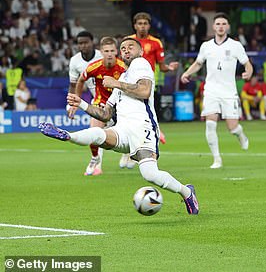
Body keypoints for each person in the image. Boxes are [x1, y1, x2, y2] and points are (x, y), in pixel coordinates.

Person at [40, 37, 199, 214]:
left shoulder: (141, 64)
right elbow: (106, 114)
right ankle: (68, 136)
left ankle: (187, 192)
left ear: (140, 51)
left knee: (150, 174)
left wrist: (116, 83)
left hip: (143, 128)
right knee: (98, 133)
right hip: (122, 130)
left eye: (131, 47)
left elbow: (145, 91)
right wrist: (82, 104)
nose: (126, 50)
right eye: (123, 48)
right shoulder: (122, 78)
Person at [180, 13, 251, 169]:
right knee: (210, 124)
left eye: (224, 24)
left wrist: (248, 72)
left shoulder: (235, 45)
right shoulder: (206, 46)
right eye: (218, 24)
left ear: (228, 26)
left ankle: (241, 135)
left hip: (229, 92)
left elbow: (247, 63)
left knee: (232, 128)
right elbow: (199, 63)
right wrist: (186, 73)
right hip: (211, 90)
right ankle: (217, 159)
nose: (220, 26)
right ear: (213, 26)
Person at [123, 12, 179, 166]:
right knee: (130, 115)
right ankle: (131, 150)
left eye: (145, 23)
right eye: (139, 23)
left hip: (148, 85)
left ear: (149, 25)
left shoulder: (156, 43)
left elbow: (161, 66)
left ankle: (140, 150)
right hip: (129, 83)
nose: (142, 26)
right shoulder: (129, 41)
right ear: (135, 25)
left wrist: (169, 67)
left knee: (145, 116)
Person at [69, 37, 127, 176]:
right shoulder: (94, 67)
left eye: (112, 50)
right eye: (106, 51)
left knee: (128, 134)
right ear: (101, 52)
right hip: (100, 104)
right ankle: (95, 158)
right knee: (93, 132)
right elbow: (81, 79)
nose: (109, 53)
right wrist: (78, 99)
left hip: (121, 105)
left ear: (116, 52)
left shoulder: (123, 67)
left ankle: (129, 153)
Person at [67, 31, 103, 172]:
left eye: (86, 42)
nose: (83, 46)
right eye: (80, 43)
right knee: (94, 132)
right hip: (98, 100)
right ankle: (97, 164)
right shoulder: (75, 61)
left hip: (115, 99)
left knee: (126, 129)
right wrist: (72, 103)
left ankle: (129, 154)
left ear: (92, 42)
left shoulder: (103, 56)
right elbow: (73, 84)